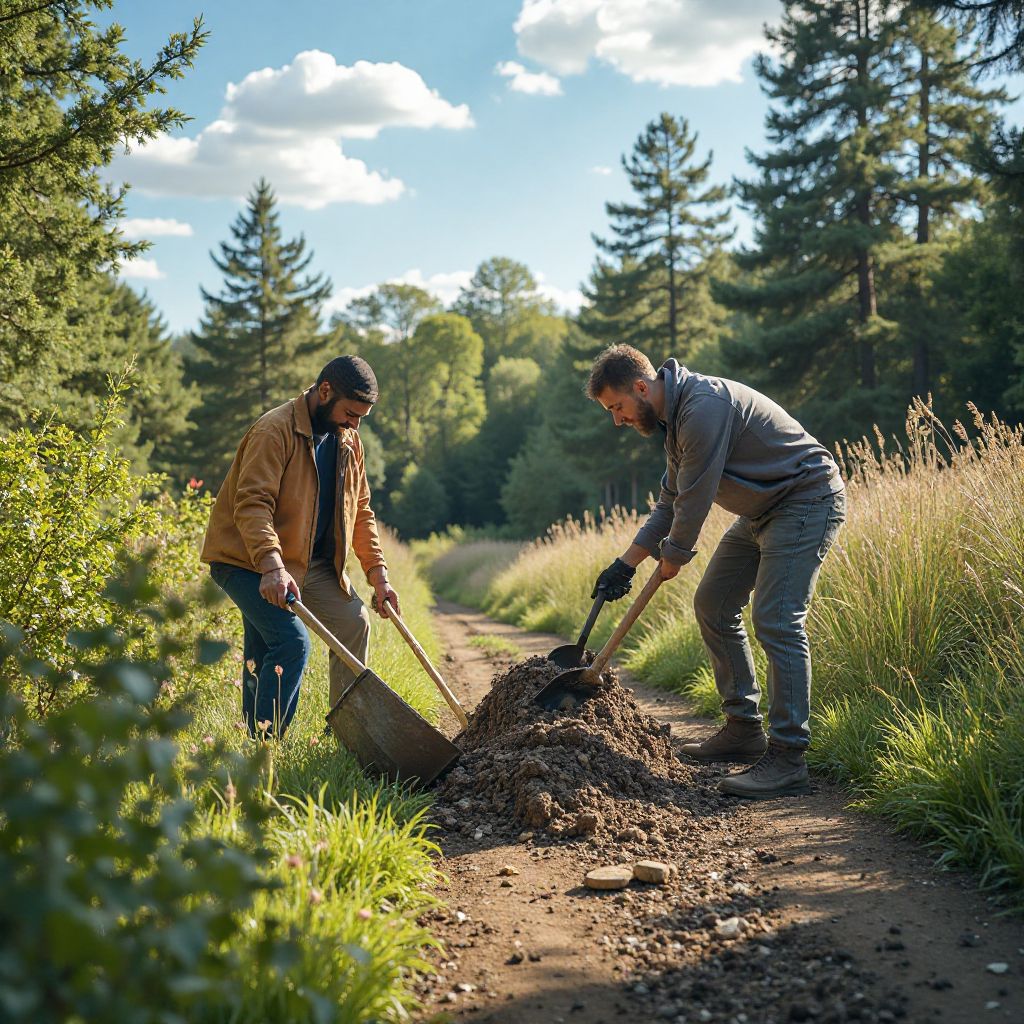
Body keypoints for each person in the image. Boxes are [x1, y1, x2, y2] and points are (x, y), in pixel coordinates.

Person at [587, 345, 846, 798]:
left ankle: (788, 758)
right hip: (762, 512)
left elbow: (695, 500)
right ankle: (744, 728)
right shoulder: (675, 422)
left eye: (617, 407)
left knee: (777, 619)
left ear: (642, 388)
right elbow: (669, 501)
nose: (617, 420)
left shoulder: (704, 408)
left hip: (806, 499)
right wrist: (624, 565)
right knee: (714, 603)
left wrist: (675, 555)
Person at [201, 356, 398, 738]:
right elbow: (253, 504)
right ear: (325, 391)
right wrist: (272, 567)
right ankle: (266, 748)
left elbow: (361, 510)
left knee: (353, 622)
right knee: (290, 643)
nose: (355, 425)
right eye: (350, 414)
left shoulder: (348, 442)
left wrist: (379, 576)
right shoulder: (273, 431)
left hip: (307, 563)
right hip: (246, 561)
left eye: (361, 418)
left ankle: (346, 732)